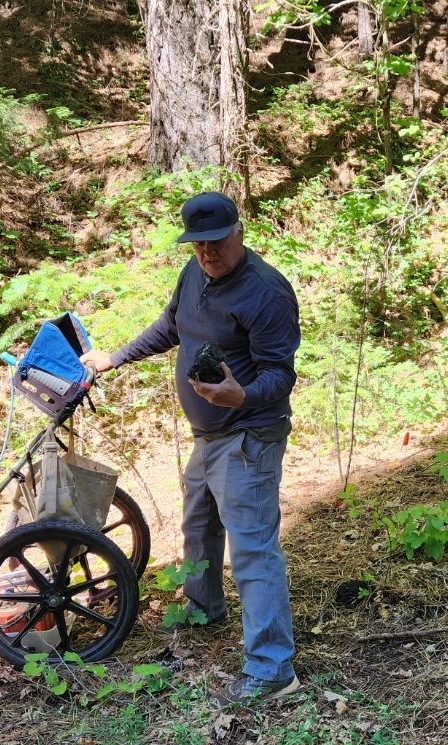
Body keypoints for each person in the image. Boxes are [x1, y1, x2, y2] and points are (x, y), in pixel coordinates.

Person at [80, 191, 301, 705]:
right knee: (198, 526)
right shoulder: (193, 274)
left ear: (239, 232)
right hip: (209, 437)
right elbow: (169, 327)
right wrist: (114, 357)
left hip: (248, 436)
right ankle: (204, 611)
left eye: (216, 243)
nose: (207, 253)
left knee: (253, 549)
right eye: (197, 244)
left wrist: (240, 394)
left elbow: (280, 375)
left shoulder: (265, 293)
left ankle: (273, 669)